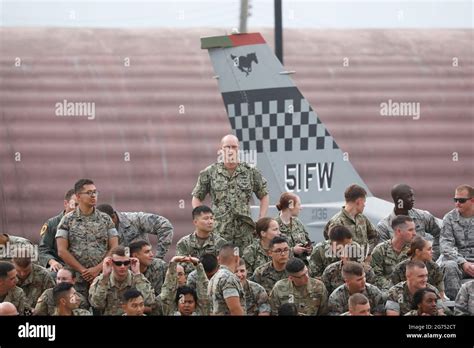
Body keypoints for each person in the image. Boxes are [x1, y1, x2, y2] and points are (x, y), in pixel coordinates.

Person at [192, 134, 269, 253]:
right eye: (227, 147)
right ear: (221, 150)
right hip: (219, 232)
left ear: (238, 149)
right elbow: (196, 197)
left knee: (245, 267)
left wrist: (261, 219)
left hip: (245, 233)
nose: (231, 150)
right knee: (221, 266)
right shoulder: (210, 172)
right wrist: (204, 220)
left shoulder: (250, 171)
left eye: (234, 147)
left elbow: (264, 195)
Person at [56, 179, 119, 301]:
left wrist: (97, 269)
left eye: (95, 192)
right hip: (76, 279)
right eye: (89, 193)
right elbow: (62, 251)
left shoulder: (105, 219)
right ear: (78, 196)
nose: (93, 196)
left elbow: (114, 247)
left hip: (102, 277)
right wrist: (83, 271)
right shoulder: (67, 220)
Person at [377, 184, 441, 259]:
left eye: (412, 196)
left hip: (422, 266)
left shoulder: (422, 216)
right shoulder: (384, 226)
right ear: (399, 200)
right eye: (409, 196)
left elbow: (441, 234)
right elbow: (382, 253)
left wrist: (433, 257)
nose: (413, 199)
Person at [88, 246, 155, 315]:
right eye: (118, 263)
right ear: (111, 263)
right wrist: (105, 277)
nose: (122, 266)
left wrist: (137, 274)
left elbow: (150, 302)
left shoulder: (137, 279)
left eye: (126, 263)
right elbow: (97, 305)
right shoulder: (102, 280)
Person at [97, 203, 173, 259]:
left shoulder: (134, 220)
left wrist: (159, 256)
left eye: (105, 222)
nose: (103, 226)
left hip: (141, 267)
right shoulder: (98, 228)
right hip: (117, 268)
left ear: (113, 217)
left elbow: (165, 226)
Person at [439, 184, 474, 300]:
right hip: (458, 262)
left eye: (461, 200)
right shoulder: (449, 218)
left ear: (472, 200)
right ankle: (458, 305)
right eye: (455, 200)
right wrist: (462, 262)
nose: (457, 203)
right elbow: (446, 246)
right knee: (449, 266)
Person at [323, 184, 378, 252]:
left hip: (364, 261)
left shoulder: (362, 218)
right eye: (364, 202)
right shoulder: (337, 222)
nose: (364, 205)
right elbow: (333, 247)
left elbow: (375, 236)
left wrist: (367, 253)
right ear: (358, 201)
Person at [176, 206, 227, 274]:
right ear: (195, 222)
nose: (210, 222)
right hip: (192, 282)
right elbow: (181, 267)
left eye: (211, 218)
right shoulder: (184, 243)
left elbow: (225, 268)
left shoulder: (221, 243)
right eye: (206, 219)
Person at [371, 215, 415, 291]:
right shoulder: (380, 250)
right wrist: (393, 288)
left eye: (414, 230)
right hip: (385, 292)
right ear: (399, 231)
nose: (414, 233)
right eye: (410, 230)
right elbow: (375, 276)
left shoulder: (413, 251)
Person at [38, 188, 77, 272]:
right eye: (75, 205)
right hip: (60, 267)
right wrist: (52, 262)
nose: (78, 209)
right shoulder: (52, 224)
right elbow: (43, 250)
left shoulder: (88, 223)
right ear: (66, 203)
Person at [207, 244, 246, 315]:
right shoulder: (228, 278)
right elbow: (235, 310)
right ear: (237, 258)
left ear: (218, 260)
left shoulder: (213, 277)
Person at [275, 192, 312, 263]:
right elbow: (271, 251)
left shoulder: (297, 222)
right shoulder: (275, 225)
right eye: (298, 204)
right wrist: (293, 251)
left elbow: (307, 240)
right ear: (291, 205)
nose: (300, 208)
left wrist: (308, 249)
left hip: (301, 266)